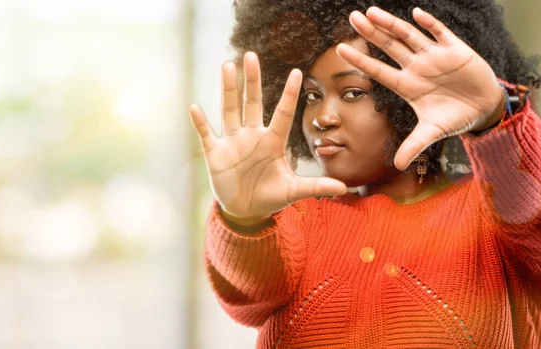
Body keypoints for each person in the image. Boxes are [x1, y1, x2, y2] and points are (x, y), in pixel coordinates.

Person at [189, 0, 541, 347]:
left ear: (408, 99)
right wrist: (243, 220)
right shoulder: (297, 223)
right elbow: (249, 295)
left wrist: (496, 116)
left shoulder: (494, 220)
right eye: (311, 95)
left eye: (352, 92)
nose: (321, 117)